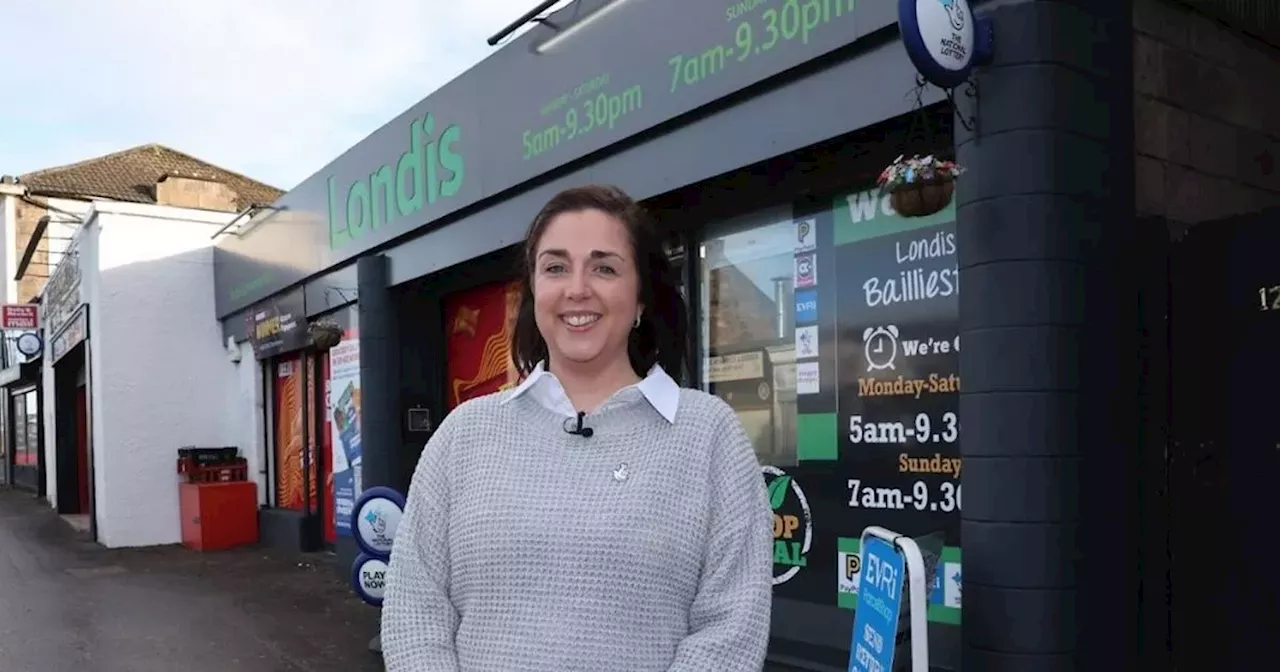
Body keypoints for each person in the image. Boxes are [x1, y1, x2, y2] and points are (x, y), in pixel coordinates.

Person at [380, 184, 774, 671]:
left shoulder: (709, 436)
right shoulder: (464, 435)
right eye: (556, 267)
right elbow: (415, 608)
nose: (577, 288)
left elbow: (730, 628)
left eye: (604, 267)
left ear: (641, 300)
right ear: (534, 293)